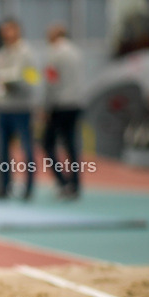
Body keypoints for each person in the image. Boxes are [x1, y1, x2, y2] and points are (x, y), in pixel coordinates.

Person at [0, 18, 39, 200]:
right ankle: (4, 187)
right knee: (2, 151)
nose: (7, 34)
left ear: (18, 31)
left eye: (10, 30)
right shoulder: (1, 54)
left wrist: (10, 80)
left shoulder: (27, 53)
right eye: (4, 31)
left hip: (22, 108)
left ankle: (29, 187)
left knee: (26, 149)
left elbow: (30, 78)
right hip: (3, 109)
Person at [42, 23, 84, 199]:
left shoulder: (54, 53)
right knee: (71, 145)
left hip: (59, 105)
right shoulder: (77, 52)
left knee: (47, 143)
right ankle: (75, 183)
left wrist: (46, 106)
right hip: (76, 103)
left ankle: (62, 181)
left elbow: (51, 82)